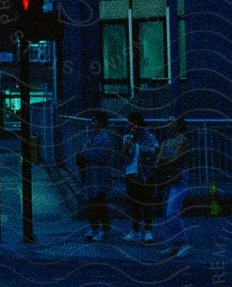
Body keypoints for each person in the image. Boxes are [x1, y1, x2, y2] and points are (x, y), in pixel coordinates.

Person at [153, 115, 194, 259]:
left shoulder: (183, 140)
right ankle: (173, 244)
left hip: (178, 176)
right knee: (166, 213)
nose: (167, 124)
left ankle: (184, 243)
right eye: (167, 121)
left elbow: (175, 159)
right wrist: (164, 161)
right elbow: (160, 161)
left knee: (172, 211)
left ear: (179, 124)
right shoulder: (166, 142)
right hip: (166, 177)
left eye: (171, 121)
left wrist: (163, 161)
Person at [74, 110, 115, 242]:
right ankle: (94, 228)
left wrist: (84, 153)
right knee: (92, 203)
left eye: (94, 121)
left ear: (101, 123)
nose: (92, 123)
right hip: (92, 175)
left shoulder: (103, 139)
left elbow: (98, 155)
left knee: (100, 204)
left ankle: (103, 229)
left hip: (100, 176)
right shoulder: (93, 136)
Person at [120, 111, 159, 242]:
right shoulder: (127, 138)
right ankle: (135, 230)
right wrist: (130, 144)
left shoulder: (150, 137)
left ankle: (148, 230)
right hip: (131, 172)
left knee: (147, 202)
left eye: (130, 122)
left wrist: (139, 145)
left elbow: (154, 152)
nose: (128, 125)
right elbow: (124, 156)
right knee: (134, 203)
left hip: (146, 174)